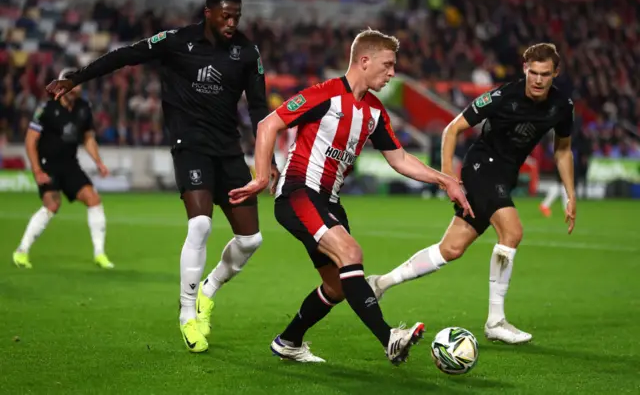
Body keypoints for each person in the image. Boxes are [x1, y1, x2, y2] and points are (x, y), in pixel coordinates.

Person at [45, 0, 279, 353]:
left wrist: (269, 159)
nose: (232, 22)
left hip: (229, 152)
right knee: (200, 224)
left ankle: (208, 289)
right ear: (208, 13)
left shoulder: (247, 53)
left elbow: (260, 109)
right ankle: (187, 313)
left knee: (251, 240)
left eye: (237, 16)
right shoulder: (176, 41)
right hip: (191, 148)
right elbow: (125, 56)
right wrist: (76, 77)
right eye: (225, 15)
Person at [228, 29, 472, 364]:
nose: (392, 73)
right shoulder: (324, 95)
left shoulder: (374, 111)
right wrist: (260, 175)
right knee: (350, 252)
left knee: (337, 286)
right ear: (364, 60)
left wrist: (444, 180)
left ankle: (288, 341)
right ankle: (390, 338)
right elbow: (268, 125)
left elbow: (399, 159)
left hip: (329, 202)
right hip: (299, 192)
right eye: (387, 65)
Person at [367, 43, 577, 344]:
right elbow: (452, 129)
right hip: (482, 166)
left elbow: (563, 149)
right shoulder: (504, 96)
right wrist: (447, 177)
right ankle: (496, 320)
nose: (538, 80)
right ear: (524, 69)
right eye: (533, 72)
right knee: (512, 233)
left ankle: (380, 282)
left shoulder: (562, 107)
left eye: (545, 74)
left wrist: (570, 195)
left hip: (505, 175)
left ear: (555, 73)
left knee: (450, 249)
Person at [13, 68, 112, 269]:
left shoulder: (83, 108)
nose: (74, 87)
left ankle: (99, 254)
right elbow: (30, 141)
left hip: (70, 164)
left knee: (93, 199)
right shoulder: (47, 109)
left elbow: (88, 138)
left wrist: (98, 162)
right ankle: (21, 251)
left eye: (76, 82)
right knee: (52, 205)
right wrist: (37, 171)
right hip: (48, 165)